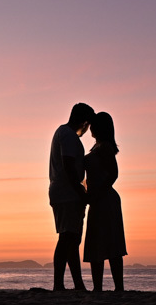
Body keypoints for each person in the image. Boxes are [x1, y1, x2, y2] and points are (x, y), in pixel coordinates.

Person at [48, 102, 95, 291]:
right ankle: (59, 284)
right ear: (83, 121)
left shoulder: (65, 134)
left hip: (65, 193)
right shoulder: (68, 136)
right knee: (67, 238)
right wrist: (79, 191)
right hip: (66, 194)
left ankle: (77, 284)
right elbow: (68, 166)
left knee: (72, 239)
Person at [83, 111, 127, 291]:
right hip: (98, 198)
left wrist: (97, 192)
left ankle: (118, 287)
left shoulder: (105, 148)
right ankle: (98, 287)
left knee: (111, 241)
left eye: (93, 125)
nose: (90, 128)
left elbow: (113, 174)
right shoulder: (97, 147)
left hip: (105, 199)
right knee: (97, 242)